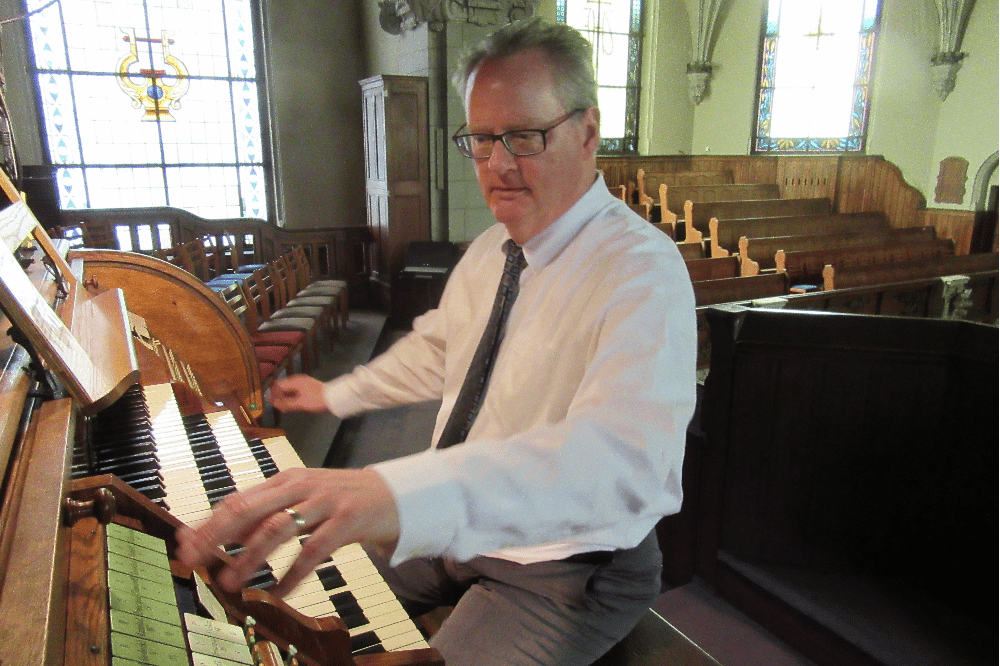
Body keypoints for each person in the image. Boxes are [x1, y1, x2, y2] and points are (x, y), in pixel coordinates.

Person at [177, 16, 696, 666]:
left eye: (525, 136)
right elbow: (437, 354)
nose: (499, 164)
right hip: (455, 532)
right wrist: (338, 392)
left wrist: (399, 492)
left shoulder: (642, 270)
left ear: (588, 131)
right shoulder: (489, 251)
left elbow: (619, 466)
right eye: (481, 139)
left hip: (569, 565)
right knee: (271, 608)